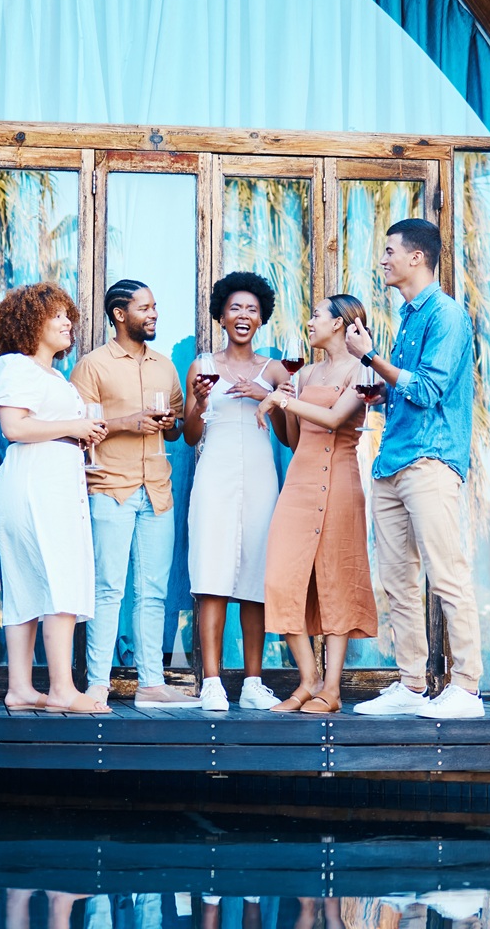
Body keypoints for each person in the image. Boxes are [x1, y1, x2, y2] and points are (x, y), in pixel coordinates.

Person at [341, 217, 485, 720]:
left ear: (416, 257)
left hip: (429, 461)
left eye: (389, 251)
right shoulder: (407, 315)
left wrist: (370, 356)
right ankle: (412, 683)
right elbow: (407, 390)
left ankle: (466, 688)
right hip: (392, 461)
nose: (382, 260)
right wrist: (382, 389)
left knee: (447, 574)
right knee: (398, 580)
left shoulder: (445, 315)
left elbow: (427, 389)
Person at [70, 280, 199, 707]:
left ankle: (151, 684)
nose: (154, 314)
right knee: (108, 590)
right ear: (120, 315)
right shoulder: (92, 365)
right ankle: (97, 685)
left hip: (157, 491)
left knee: (154, 592)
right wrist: (129, 422)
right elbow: (77, 429)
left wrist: (174, 420)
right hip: (110, 488)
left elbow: (178, 428)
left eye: (155, 306)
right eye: (144, 308)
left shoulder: (165, 366)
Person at [0, 282, 109, 714]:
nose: (67, 323)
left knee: (29, 585)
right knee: (58, 579)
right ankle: (61, 689)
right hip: (33, 483)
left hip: (50, 481)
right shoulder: (16, 366)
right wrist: (73, 429)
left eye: (67, 315)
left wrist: (80, 438)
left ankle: (20, 689)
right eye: (56, 315)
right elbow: (14, 429)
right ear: (30, 322)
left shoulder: (52, 375)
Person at [256, 294, 378, 714]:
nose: (309, 322)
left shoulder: (361, 369)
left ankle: (332, 689)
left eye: (316, 316)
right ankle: (307, 680)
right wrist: (281, 400)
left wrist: (282, 400)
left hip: (341, 482)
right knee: (281, 578)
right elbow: (293, 437)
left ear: (340, 324)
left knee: (336, 579)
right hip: (301, 484)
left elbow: (333, 419)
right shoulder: (305, 372)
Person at [183, 271, 287, 713]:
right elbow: (189, 435)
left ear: (261, 318)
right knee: (212, 576)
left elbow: (290, 436)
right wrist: (200, 404)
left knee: (254, 578)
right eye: (235, 308)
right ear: (221, 316)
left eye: (252, 309)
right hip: (215, 477)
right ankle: (210, 681)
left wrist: (268, 395)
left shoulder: (276, 370)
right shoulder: (202, 366)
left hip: (262, 477)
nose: (243, 315)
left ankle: (252, 681)